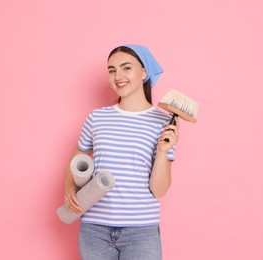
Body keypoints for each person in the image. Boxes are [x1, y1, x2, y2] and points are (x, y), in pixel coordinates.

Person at [64, 44, 180, 260]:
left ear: (144, 72)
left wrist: (163, 151)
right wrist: (69, 188)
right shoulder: (96, 118)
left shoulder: (163, 123)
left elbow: (159, 190)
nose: (118, 76)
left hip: (141, 231)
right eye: (112, 70)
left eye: (126, 68)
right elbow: (76, 158)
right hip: (94, 229)